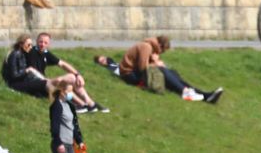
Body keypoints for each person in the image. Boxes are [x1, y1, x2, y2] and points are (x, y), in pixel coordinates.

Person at [94, 36, 223, 103]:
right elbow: (142, 67)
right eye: (163, 50)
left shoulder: (149, 47)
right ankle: (185, 92)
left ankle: (204, 95)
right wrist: (156, 63)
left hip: (135, 73)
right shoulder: (146, 47)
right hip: (130, 76)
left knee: (172, 73)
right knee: (163, 70)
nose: (161, 53)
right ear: (160, 46)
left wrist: (156, 63)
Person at [28, 33, 105, 113]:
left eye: (45, 42)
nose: (42, 44)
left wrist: (78, 75)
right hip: (39, 83)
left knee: (72, 81)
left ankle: (88, 104)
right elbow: (32, 71)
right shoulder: (32, 52)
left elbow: (62, 64)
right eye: (41, 42)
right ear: (36, 41)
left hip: (44, 82)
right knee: (71, 78)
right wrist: (46, 80)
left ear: (48, 44)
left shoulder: (46, 53)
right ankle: (85, 104)